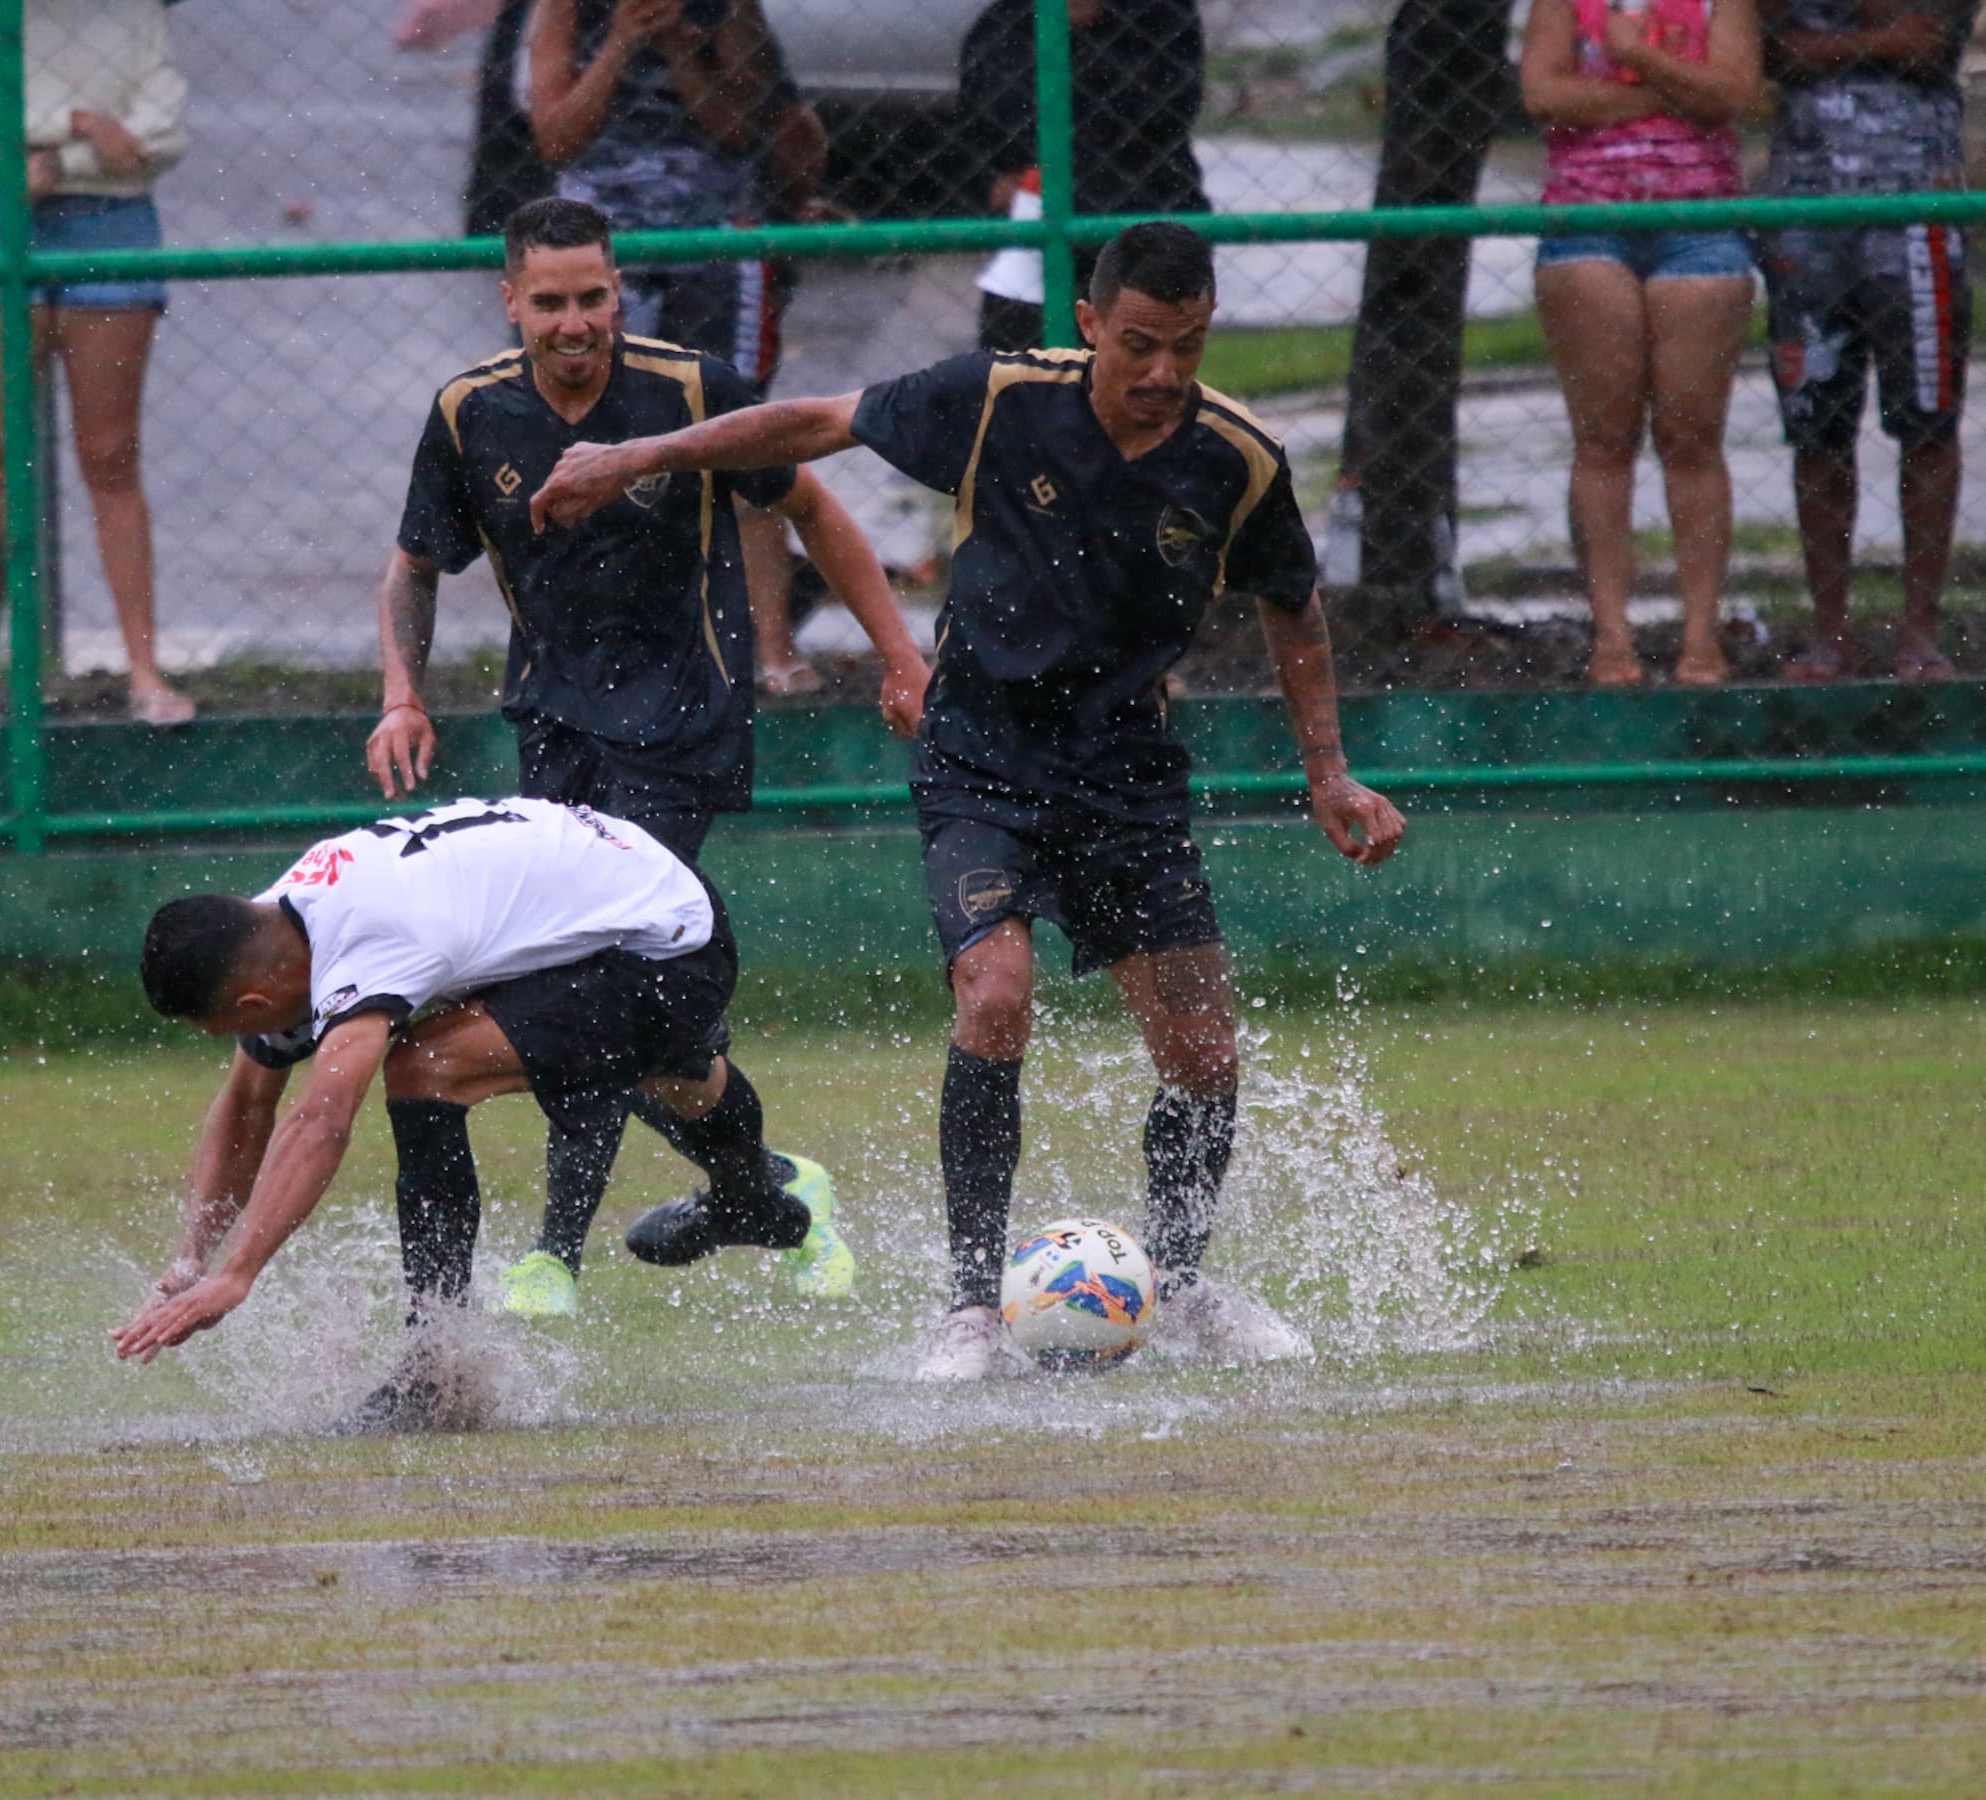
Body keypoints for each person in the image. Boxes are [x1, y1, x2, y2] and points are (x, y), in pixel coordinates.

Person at [531, 221, 1409, 1379]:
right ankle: (969, 1313)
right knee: (994, 994)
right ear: (1089, 324)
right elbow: (811, 424)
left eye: (1185, 349)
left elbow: (1292, 604)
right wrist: (634, 457)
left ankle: (1187, 1285)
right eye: (1137, 344)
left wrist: (1328, 770)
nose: (1160, 375)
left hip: (1129, 776)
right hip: (980, 757)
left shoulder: (1234, 458)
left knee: (1201, 1052)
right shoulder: (997, 398)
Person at [367, 195, 931, 1318]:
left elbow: (815, 507)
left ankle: (554, 1259)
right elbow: (416, 564)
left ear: (619, 290)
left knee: (595, 979)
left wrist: (901, 655)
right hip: (555, 726)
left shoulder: (688, 389)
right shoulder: (472, 412)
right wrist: (401, 694)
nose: (575, 322)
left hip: (681, 728)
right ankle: (767, 1187)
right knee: (625, 1019)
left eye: (593, 297)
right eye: (551, 302)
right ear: (511, 300)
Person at [111, 796, 828, 1432]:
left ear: (252, 1004)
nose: (244, 1041)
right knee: (679, 1079)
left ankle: (435, 1366)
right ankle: (753, 1200)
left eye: (227, 1029)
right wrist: (190, 1259)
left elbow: (320, 1119)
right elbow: (247, 1105)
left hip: (665, 944)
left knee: (424, 1069)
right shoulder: (278, 923)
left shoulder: (368, 940)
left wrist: (236, 1275)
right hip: (624, 892)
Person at [526, 0, 834, 694]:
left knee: (737, 433)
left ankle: (772, 653)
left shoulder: (723, 9)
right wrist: (621, 44)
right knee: (597, 439)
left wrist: (674, 50)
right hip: (598, 246)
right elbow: (556, 136)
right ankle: (602, 646)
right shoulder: (564, 11)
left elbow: (736, 130)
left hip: (715, 238)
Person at [0, 0, 197, 732]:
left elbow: (160, 133)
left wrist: (57, 158)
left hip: (111, 217)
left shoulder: (135, 12)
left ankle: (144, 670)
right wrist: (88, 126)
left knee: (110, 453)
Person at [1521, 0, 1762, 688]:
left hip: (1701, 223)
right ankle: (1614, 640)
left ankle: (1700, 641)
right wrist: (1678, 92)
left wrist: (1639, 59)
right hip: (1586, 223)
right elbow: (1544, 93)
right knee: (1604, 438)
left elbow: (1735, 93)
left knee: (1691, 435)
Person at [1757, 0, 1975, 682]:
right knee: (1817, 430)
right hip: (1805, 208)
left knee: (1928, 423)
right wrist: (1879, 37)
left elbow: (1927, 42)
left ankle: (1920, 633)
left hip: (1918, 204)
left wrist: (1829, 37)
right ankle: (1829, 634)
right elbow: (1773, 51)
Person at [955, 0, 1211, 354]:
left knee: (1139, 365)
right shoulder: (1010, 22)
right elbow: (987, 119)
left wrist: (1081, 33)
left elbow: (1153, 117)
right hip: (1036, 225)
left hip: (1141, 213)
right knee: (1020, 370)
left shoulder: (1162, 14)